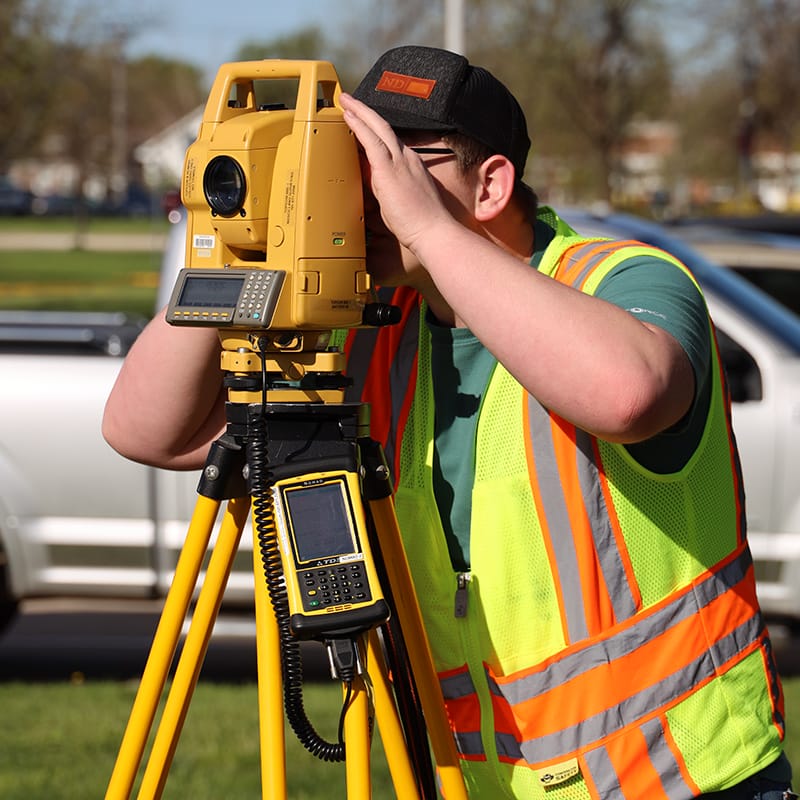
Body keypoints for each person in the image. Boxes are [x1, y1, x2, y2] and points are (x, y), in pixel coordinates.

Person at [103, 46, 794, 799]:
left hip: (677, 779)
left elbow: (626, 393)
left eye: (389, 163)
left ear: (492, 184)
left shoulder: (622, 280)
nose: (362, 191)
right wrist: (242, 246)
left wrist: (430, 231)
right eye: (346, 161)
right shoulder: (371, 328)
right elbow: (147, 430)